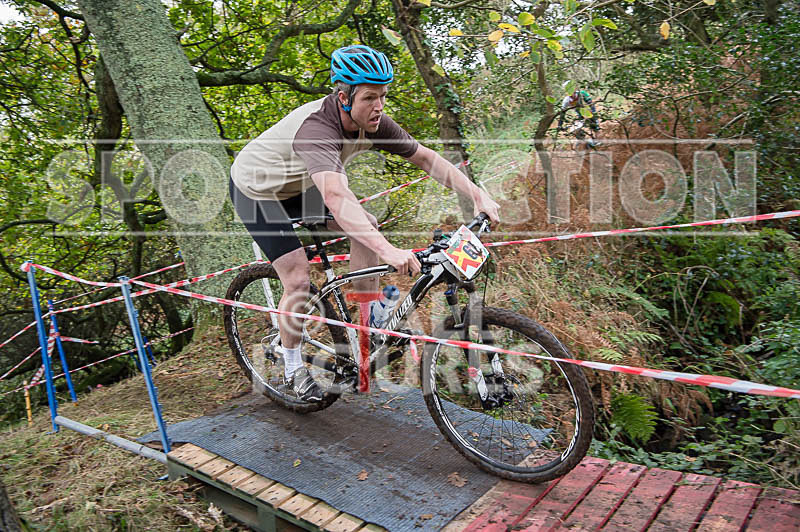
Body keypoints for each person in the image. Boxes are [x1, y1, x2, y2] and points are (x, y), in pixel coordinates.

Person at [229, 45, 500, 402]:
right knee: (297, 278)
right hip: (256, 191)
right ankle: (292, 367)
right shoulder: (317, 129)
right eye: (370, 97)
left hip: (296, 185)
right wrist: (387, 250)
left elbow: (426, 158)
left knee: (366, 224)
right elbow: (336, 196)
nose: (379, 106)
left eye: (383, 96)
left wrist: (478, 195)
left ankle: (366, 317)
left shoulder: (371, 122)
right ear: (343, 97)